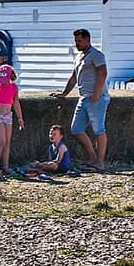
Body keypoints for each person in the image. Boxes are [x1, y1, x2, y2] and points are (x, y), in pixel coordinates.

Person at [51, 28, 109, 171]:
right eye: (76, 41)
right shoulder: (79, 57)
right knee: (76, 129)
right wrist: (64, 93)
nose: (77, 43)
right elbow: (74, 78)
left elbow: (103, 73)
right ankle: (92, 157)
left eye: (79, 41)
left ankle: (100, 162)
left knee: (98, 130)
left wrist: (96, 93)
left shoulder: (96, 55)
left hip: (97, 98)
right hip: (83, 98)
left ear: (87, 40)